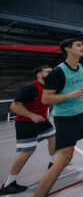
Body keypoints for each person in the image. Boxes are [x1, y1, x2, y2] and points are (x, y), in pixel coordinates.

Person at [34, 38, 83, 197]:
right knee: (64, 158)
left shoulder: (81, 68)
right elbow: (46, 99)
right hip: (65, 117)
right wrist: (72, 94)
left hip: (82, 112)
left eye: (82, 45)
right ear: (68, 49)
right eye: (79, 45)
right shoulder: (58, 72)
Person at [0, 65, 56, 195]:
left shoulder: (47, 88)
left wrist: (45, 116)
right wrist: (32, 115)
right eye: (48, 72)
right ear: (38, 74)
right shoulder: (30, 87)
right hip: (26, 123)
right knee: (27, 152)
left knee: (53, 138)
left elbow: (42, 104)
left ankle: (52, 163)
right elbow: (14, 106)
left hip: (42, 121)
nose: (51, 74)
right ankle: (8, 184)